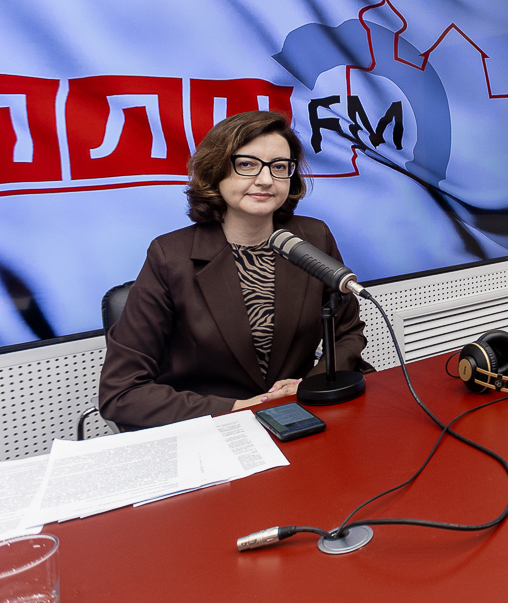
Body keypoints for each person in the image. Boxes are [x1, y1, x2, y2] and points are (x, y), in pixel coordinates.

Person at [99, 110, 371, 429]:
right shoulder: (169, 255)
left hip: (299, 418)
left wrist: (308, 385)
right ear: (216, 171)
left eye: (279, 167)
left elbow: (347, 333)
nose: (266, 180)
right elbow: (121, 393)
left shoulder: (312, 237)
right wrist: (236, 409)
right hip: (212, 428)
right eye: (247, 164)